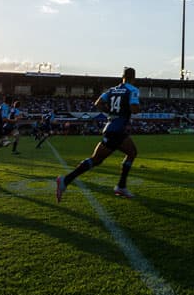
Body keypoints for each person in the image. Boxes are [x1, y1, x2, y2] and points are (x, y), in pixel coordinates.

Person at [56, 67, 140, 201]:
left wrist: (111, 112)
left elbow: (98, 103)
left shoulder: (112, 90)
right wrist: (134, 108)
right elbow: (134, 109)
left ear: (122, 77)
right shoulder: (133, 90)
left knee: (130, 152)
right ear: (133, 78)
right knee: (97, 159)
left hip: (112, 127)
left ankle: (121, 186)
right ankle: (66, 180)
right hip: (117, 130)